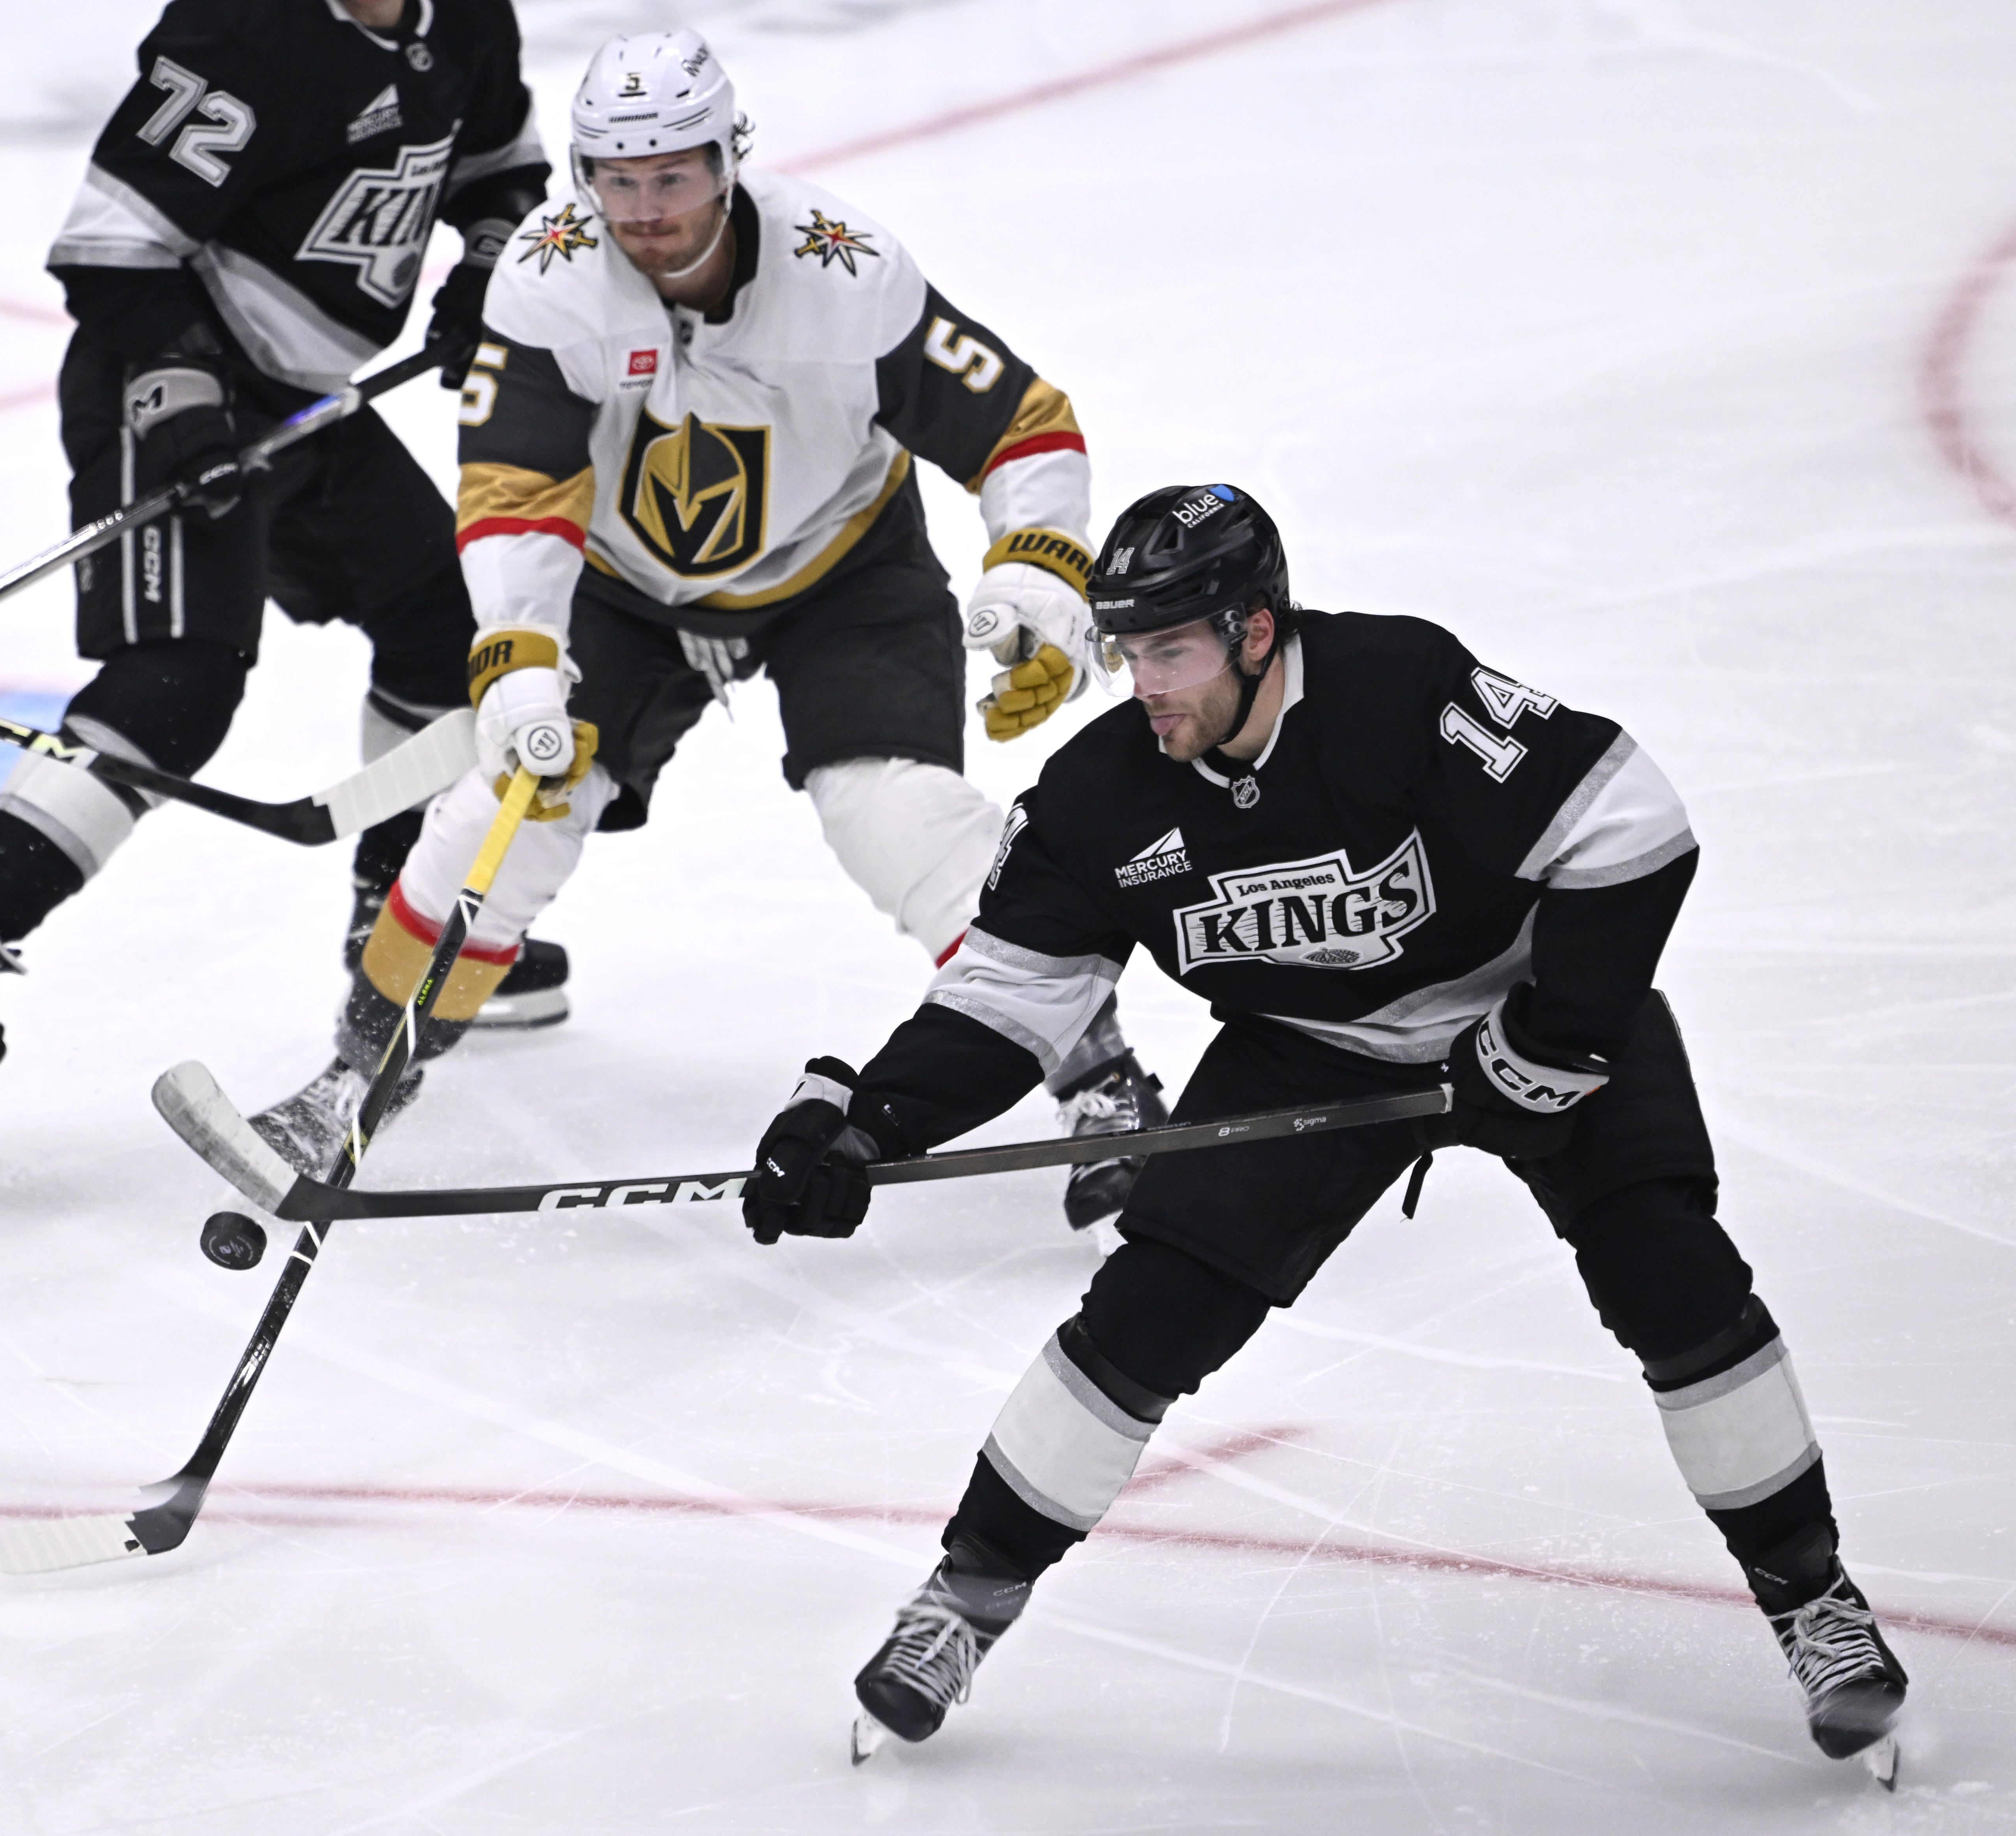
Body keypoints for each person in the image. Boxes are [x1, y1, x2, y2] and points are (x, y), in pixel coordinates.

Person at [742, 483, 1909, 1776]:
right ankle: (963, 1602)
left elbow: (1632, 823)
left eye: (1171, 652)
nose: (1145, 687)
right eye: (1128, 654)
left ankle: (1814, 1599)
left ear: (1255, 632)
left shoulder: (1396, 691)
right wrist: (870, 1124)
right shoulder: (1104, 797)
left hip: (1529, 1004)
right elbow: (1010, 998)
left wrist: (1559, 1038)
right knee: (1147, 1316)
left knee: (1674, 1280)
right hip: (1310, 1049)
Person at [247, 28, 1167, 1229]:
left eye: (673, 176)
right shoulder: (548, 276)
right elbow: (516, 495)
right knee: (506, 810)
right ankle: (355, 1081)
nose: (645, 211)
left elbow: (1024, 427)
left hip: (842, 568)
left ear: (731, 159)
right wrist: (521, 662)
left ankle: (1102, 1082)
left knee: (897, 815)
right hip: (622, 589)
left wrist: (1040, 569)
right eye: (617, 179)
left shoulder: (844, 270)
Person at [0, 0, 568, 1098]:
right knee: (182, 677)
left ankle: (395, 934)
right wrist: (182, 394)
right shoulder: (245, 30)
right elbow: (112, 248)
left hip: (306, 400)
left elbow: (499, 167)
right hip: (173, 379)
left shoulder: (465, 17)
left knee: (444, 634)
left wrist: (489, 269)